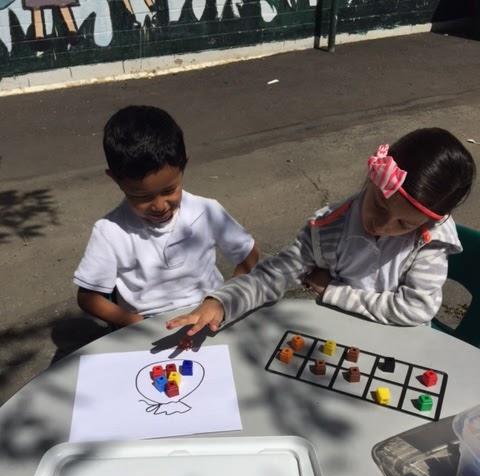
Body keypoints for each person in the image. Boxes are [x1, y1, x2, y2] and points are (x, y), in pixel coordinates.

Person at [166, 127, 475, 335]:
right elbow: (272, 275)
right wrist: (222, 302)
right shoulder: (330, 228)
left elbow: (416, 309)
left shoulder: (429, 242)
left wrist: (332, 292)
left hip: (407, 346)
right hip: (340, 338)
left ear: (428, 223)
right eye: (379, 206)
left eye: (403, 224)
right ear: (371, 179)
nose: (381, 225)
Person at [74, 105, 259, 327]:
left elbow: (249, 255)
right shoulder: (110, 231)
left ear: (183, 166)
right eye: (141, 196)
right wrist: (135, 323)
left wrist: (222, 300)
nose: (159, 206)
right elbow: (88, 297)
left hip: (209, 312)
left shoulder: (207, 211)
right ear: (116, 180)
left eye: (169, 190)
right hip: (147, 323)